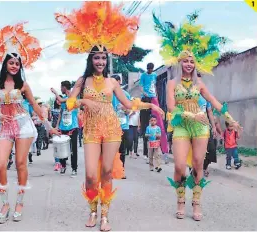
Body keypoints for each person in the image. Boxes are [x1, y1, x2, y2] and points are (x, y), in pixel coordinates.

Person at [55, 3, 164, 230]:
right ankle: (92, 210)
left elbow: (127, 103)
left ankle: (104, 215)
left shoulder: (112, 82)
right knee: (91, 174)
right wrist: (84, 101)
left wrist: (151, 107)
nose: (100, 62)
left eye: (103, 58)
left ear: (107, 59)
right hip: (92, 130)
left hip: (112, 128)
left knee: (106, 171)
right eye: (96, 58)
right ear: (90, 60)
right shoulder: (82, 81)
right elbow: (71, 103)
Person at [155, 12, 241, 221]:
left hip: (201, 127)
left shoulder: (199, 84)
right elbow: (172, 107)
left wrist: (229, 117)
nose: (189, 65)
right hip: (181, 126)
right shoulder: (172, 83)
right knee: (178, 166)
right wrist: (190, 116)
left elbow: (214, 101)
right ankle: (180, 200)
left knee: (198, 164)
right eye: (185, 61)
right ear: (180, 62)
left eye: (192, 62)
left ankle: (196, 203)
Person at [0, 22, 59, 224]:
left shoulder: (24, 85)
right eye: (11, 63)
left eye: (18, 63)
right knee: (0, 164)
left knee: (20, 163)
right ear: (5, 65)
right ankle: (4, 203)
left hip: (24, 126)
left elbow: (35, 106)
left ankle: (19, 203)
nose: (15, 66)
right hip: (5, 128)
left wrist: (49, 126)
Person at [139, 62, 168, 158]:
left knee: (156, 124)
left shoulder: (155, 75)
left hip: (153, 98)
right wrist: (145, 94)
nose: (150, 71)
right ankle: (145, 152)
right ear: (147, 69)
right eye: (149, 70)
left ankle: (160, 149)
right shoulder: (143, 75)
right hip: (146, 99)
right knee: (145, 127)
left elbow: (154, 86)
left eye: (151, 69)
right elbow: (141, 87)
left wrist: (156, 94)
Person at [52, 80, 79, 176]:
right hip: (63, 127)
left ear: (64, 87)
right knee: (61, 147)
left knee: (73, 149)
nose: (60, 89)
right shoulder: (64, 99)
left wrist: (55, 93)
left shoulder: (73, 98)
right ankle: (63, 166)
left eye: (61, 87)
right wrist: (57, 126)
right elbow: (61, 113)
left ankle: (74, 168)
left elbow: (61, 100)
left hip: (73, 127)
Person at [111, 74, 132, 178]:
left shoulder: (126, 95)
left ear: (119, 82)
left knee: (122, 151)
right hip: (111, 127)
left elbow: (129, 111)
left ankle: (121, 171)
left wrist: (124, 108)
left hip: (123, 126)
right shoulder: (108, 95)